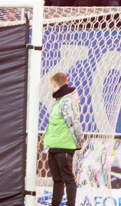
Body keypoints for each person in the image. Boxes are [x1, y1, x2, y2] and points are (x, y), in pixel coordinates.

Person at [44, 72, 82, 206]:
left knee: (68, 178)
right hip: (54, 146)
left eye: (51, 85)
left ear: (53, 85)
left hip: (64, 146)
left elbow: (74, 122)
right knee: (57, 179)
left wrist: (79, 142)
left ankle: (70, 204)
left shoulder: (67, 101)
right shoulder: (59, 100)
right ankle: (55, 204)